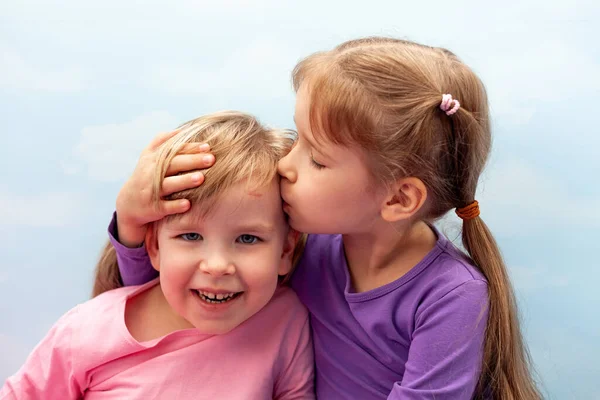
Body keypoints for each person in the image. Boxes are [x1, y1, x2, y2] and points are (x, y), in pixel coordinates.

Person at [105, 38, 541, 399]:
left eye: (315, 158)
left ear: (398, 198)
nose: (285, 166)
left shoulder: (452, 295)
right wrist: (131, 217)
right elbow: (158, 297)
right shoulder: (310, 241)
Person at [1, 112, 314, 400]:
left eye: (248, 238)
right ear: (154, 246)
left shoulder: (285, 319)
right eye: (190, 236)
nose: (217, 266)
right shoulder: (85, 330)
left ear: (285, 249)